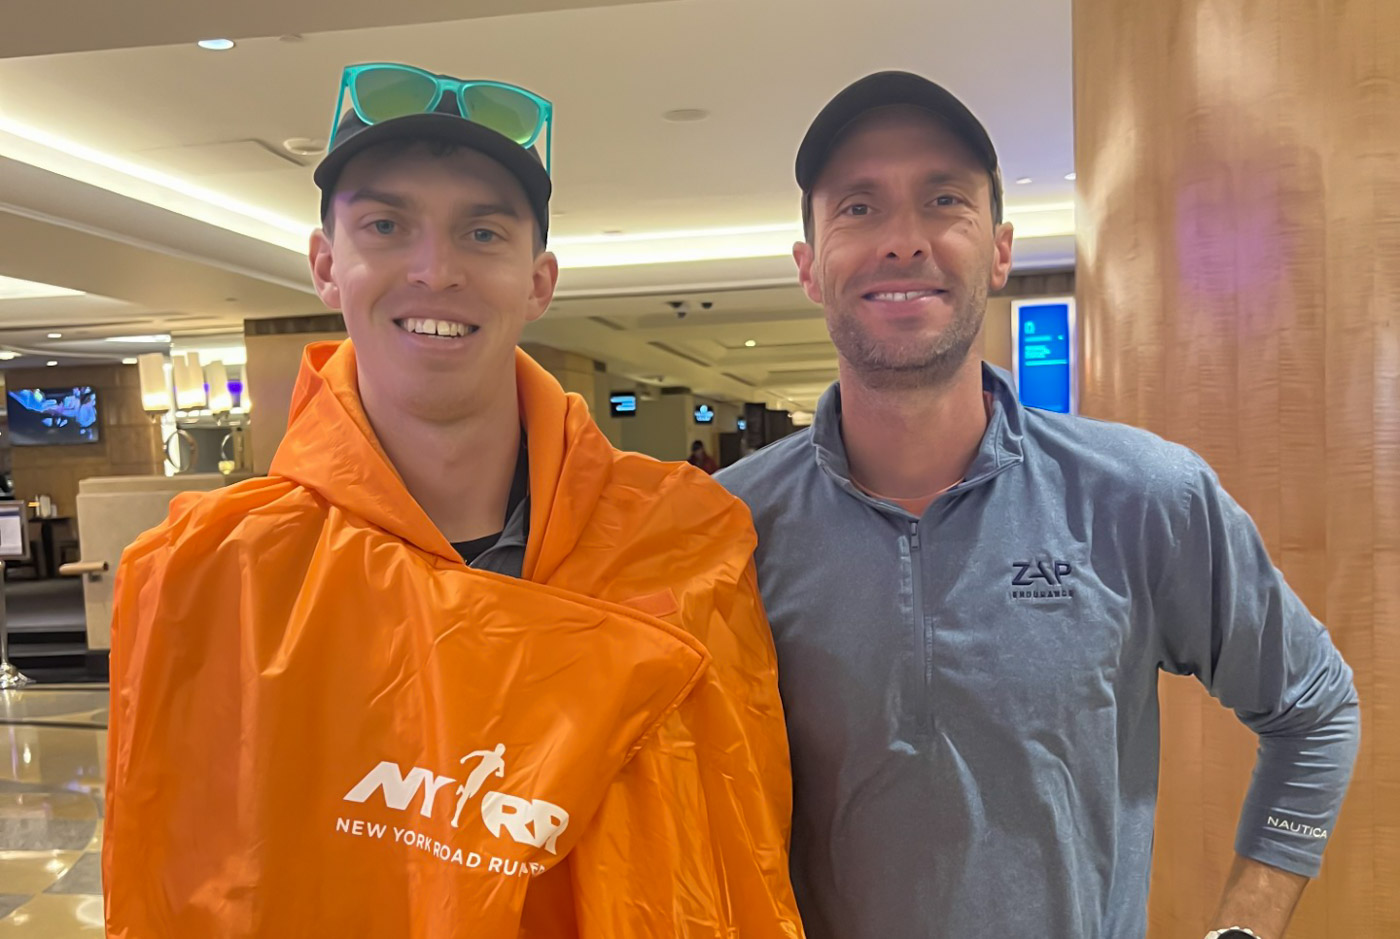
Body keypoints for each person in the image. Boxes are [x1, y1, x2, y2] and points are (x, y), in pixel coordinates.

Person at [103, 62, 802, 938]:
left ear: (538, 281)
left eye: (482, 232)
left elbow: (733, 868)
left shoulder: (683, 545)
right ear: (327, 265)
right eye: (386, 226)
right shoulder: (209, 575)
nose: (436, 271)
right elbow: (173, 888)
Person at [717, 71, 1359, 939]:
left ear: (999, 250)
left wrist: (1243, 928)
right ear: (807, 266)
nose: (902, 241)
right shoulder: (723, 531)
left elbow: (1315, 706)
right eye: (858, 208)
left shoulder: (1141, 496)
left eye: (944, 200)